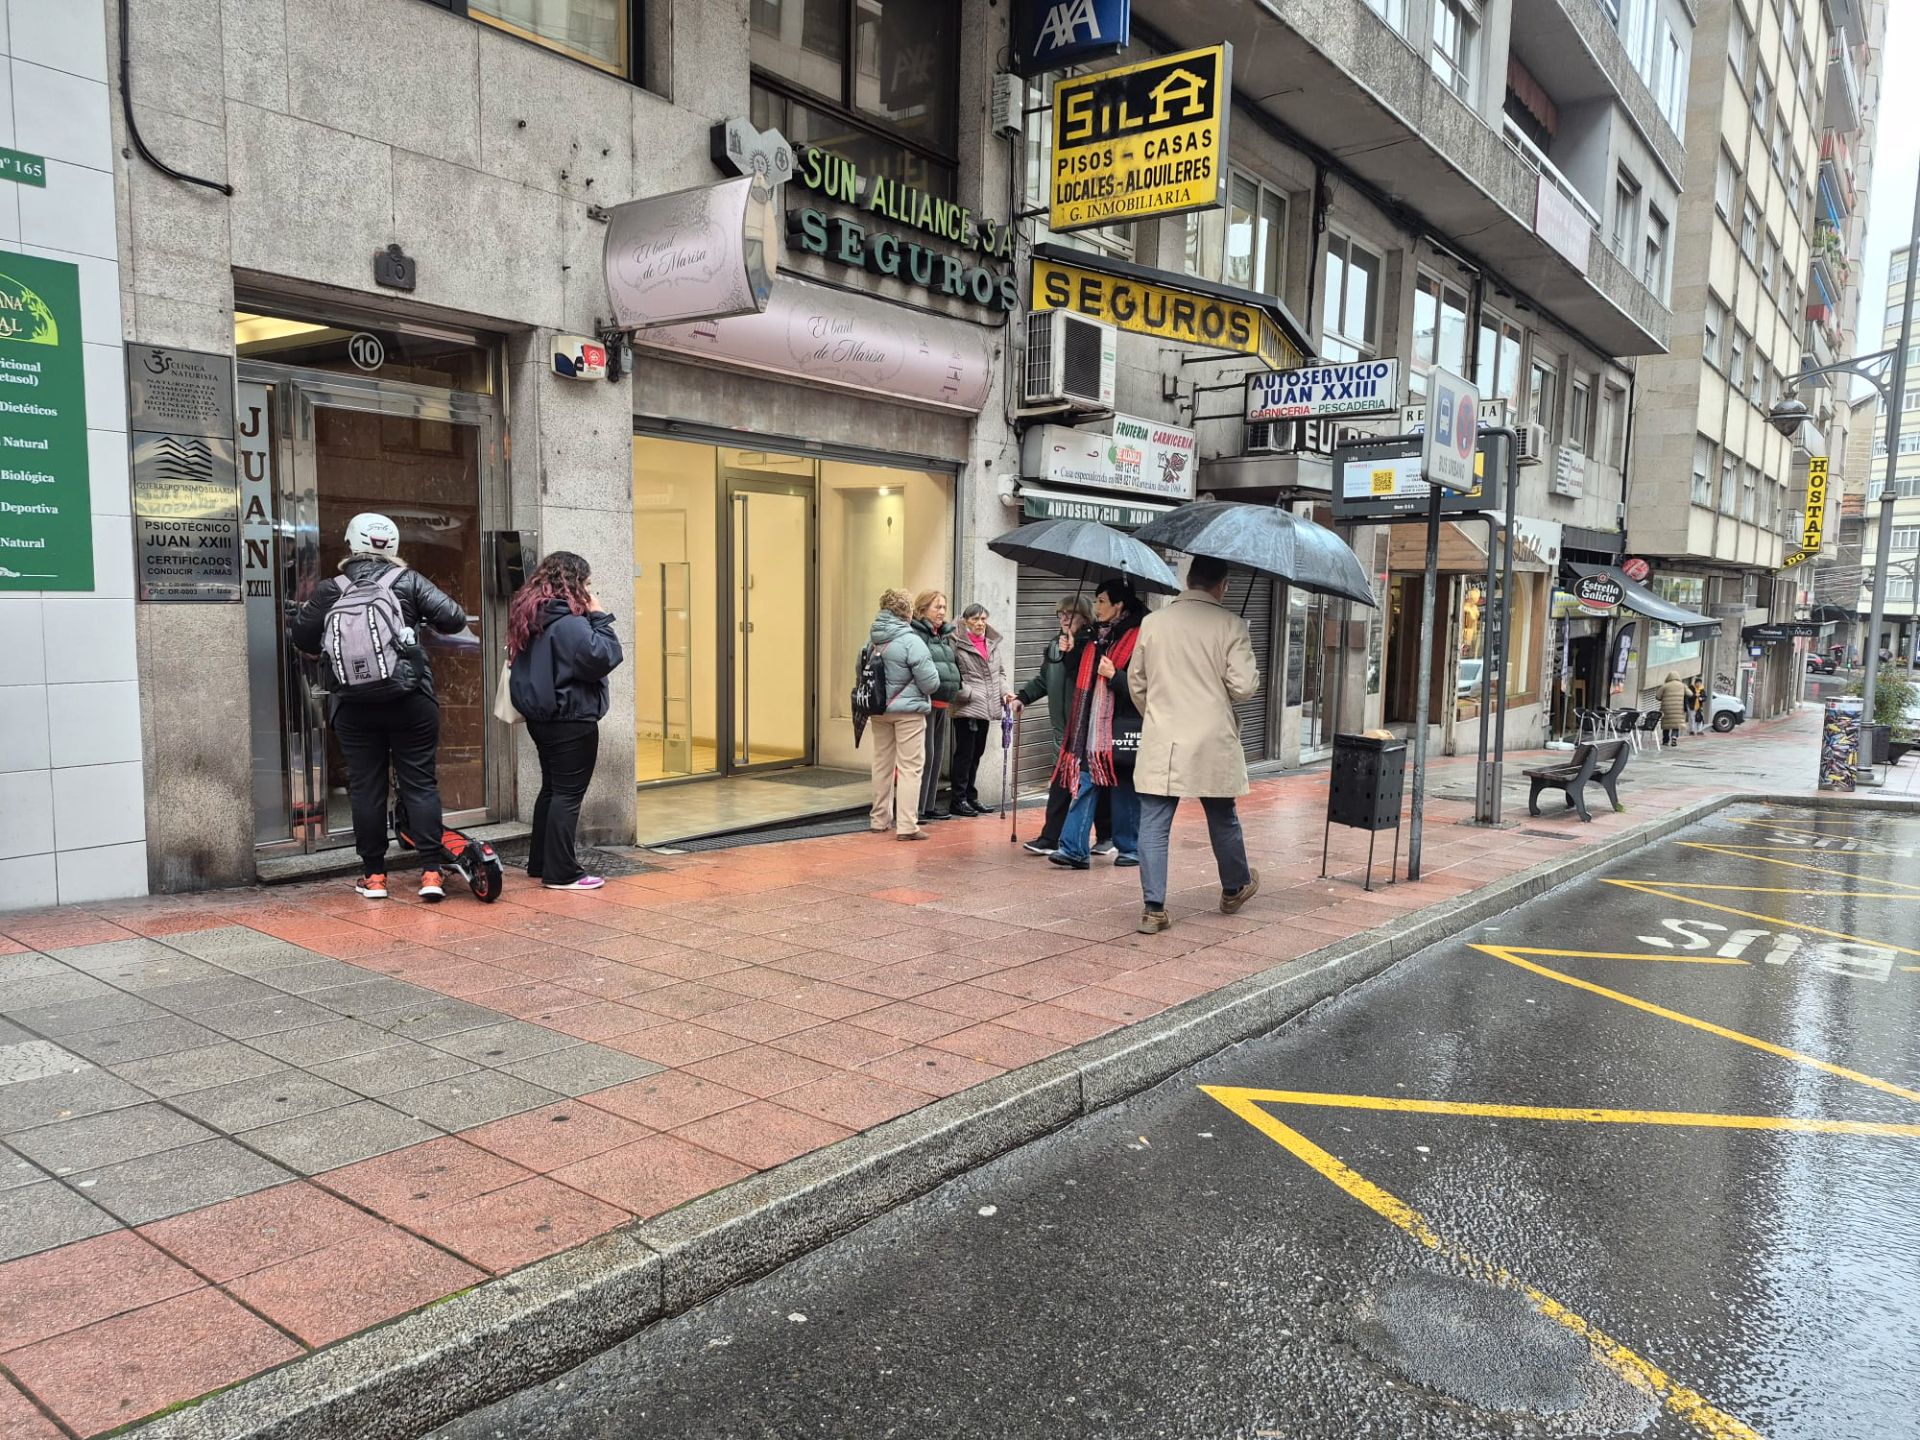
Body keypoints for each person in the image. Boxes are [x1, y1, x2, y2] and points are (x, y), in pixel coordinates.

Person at [289, 512, 469, 902]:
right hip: (410, 698)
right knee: (420, 783)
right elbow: (453, 619)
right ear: (394, 545)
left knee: (366, 789)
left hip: (353, 705)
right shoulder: (409, 580)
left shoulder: (330, 588)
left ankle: (373, 877)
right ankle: (431, 873)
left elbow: (301, 635)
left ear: (352, 544)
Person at [1128, 555, 1261, 934]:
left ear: (1188, 579)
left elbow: (1137, 683)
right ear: (1222, 585)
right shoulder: (1231, 625)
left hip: (1162, 736)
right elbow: (1244, 687)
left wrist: (1157, 712)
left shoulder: (1153, 623)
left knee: (1154, 821)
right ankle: (1234, 887)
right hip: (1210, 739)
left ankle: (1153, 909)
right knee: (1222, 815)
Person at [507, 551, 624, 891]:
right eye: (586, 584)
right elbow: (603, 656)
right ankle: (562, 872)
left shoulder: (532, 616)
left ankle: (541, 863)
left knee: (552, 789)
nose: (590, 591)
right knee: (568, 795)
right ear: (573, 584)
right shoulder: (569, 623)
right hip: (571, 717)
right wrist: (599, 616)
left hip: (542, 717)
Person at [1050, 578, 1145, 871]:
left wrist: (1116, 675)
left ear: (1119, 605)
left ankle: (1130, 848)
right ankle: (1074, 849)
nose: (1096, 606)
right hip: (1090, 728)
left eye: (1102, 601)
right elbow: (1081, 675)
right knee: (1086, 782)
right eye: (1096, 600)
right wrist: (1070, 653)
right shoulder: (1094, 635)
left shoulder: (1140, 637)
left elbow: (1147, 686)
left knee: (1124, 787)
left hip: (1121, 725)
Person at [1015, 598, 1112, 856]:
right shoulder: (1054, 646)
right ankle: (1056, 837)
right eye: (1061, 614)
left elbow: (1091, 678)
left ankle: (1101, 835)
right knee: (1068, 782)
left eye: (1071, 614)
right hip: (1062, 730)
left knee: (1087, 782)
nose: (1065, 619)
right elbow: (1044, 679)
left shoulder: (1094, 646)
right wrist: (1022, 698)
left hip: (1085, 729)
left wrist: (1073, 651)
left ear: (1085, 616)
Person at [865, 588, 941, 840]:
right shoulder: (911, 641)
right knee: (910, 767)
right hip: (908, 713)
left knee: (882, 764)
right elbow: (931, 683)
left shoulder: (872, 640)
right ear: (907, 612)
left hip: (878, 710)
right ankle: (907, 826)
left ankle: (879, 819)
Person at [948, 603, 1015, 817]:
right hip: (968, 706)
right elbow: (951, 673)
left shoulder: (991, 643)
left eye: (983, 619)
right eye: (975, 619)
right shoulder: (956, 643)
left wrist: (1005, 692)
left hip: (987, 706)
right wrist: (967, 693)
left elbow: (1000, 673)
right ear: (965, 621)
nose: (980, 623)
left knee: (977, 753)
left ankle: (971, 796)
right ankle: (958, 800)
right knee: (964, 755)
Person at [912, 590, 967, 823]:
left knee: (936, 756)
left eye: (944, 607)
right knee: (925, 755)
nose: (942, 612)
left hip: (943, 701)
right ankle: (917, 807)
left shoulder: (943, 635)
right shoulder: (918, 633)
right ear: (923, 609)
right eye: (937, 607)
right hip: (926, 701)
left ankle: (930, 803)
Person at [1659, 672, 1688, 749]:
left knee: (1666, 724)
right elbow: (1690, 694)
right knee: (1676, 723)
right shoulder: (1682, 686)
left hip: (1666, 708)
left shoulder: (1664, 686)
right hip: (1678, 708)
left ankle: (1665, 740)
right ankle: (1674, 737)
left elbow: (1657, 696)